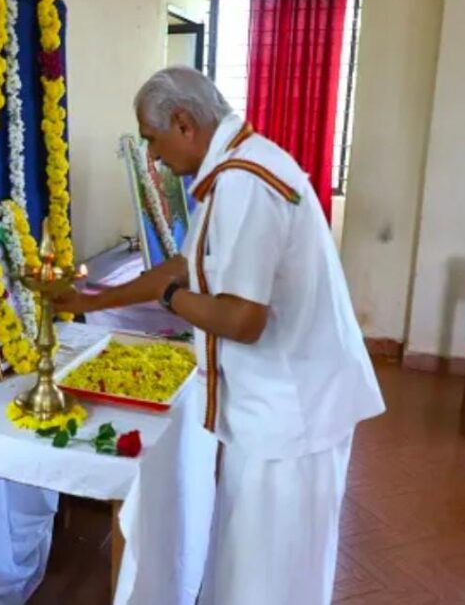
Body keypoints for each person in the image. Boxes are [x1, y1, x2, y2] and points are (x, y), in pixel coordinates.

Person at [53, 66, 386, 605]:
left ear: (184, 124)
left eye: (153, 140)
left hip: (292, 410)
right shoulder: (231, 170)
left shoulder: (245, 182)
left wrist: (169, 301)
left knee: (273, 576)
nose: (153, 157)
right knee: (245, 559)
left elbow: (242, 321)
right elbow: (183, 267)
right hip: (276, 403)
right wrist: (92, 301)